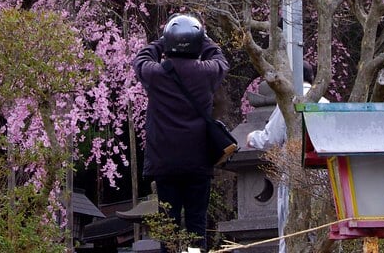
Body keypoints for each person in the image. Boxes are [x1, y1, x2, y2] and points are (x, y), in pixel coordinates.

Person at [134, 13, 229, 251]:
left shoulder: (156, 74)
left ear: (169, 41)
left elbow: (140, 59)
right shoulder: (207, 73)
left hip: (165, 161)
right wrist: (204, 40)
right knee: (196, 223)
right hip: (198, 162)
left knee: (169, 223)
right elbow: (220, 59)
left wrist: (161, 42)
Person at [246, 62, 326, 253]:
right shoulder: (324, 102)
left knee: (291, 231)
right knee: (319, 230)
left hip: (294, 175)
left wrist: (251, 138)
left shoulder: (290, 101)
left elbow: (270, 137)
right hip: (323, 177)